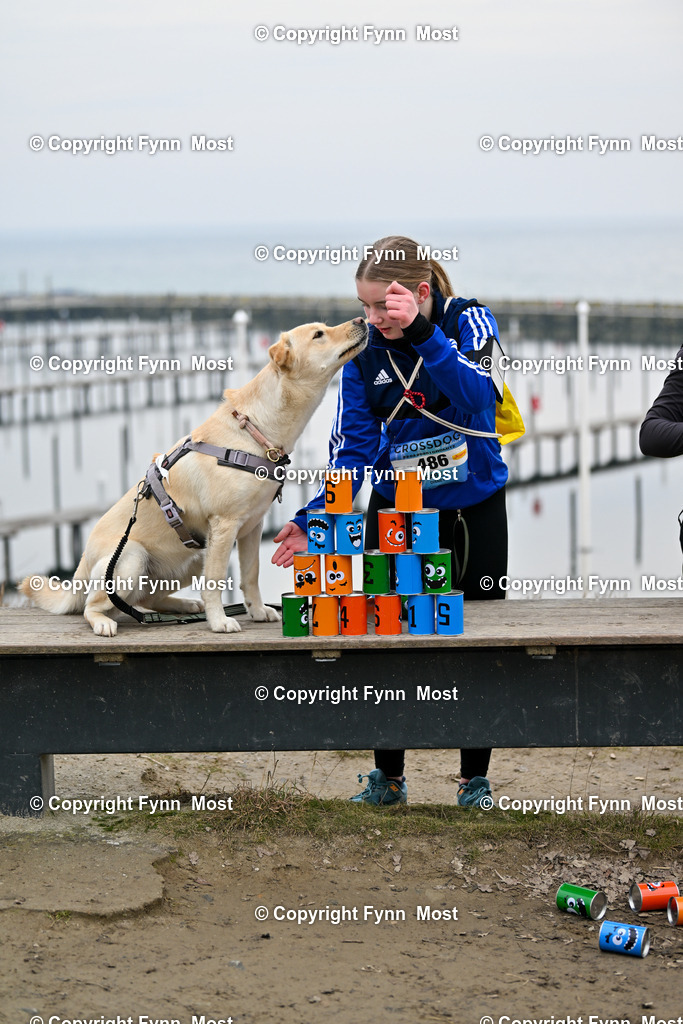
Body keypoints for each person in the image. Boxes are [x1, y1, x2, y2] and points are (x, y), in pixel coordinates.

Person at [272, 235, 509, 808]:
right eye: (365, 305)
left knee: (479, 641)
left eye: (383, 306)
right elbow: (350, 450)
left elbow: (481, 397)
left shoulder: (468, 322)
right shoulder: (367, 351)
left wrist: (425, 336)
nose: (372, 319)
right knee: (389, 633)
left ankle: (473, 779)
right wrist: (312, 517)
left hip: (474, 503)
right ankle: (389, 778)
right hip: (399, 503)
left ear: (419, 292)